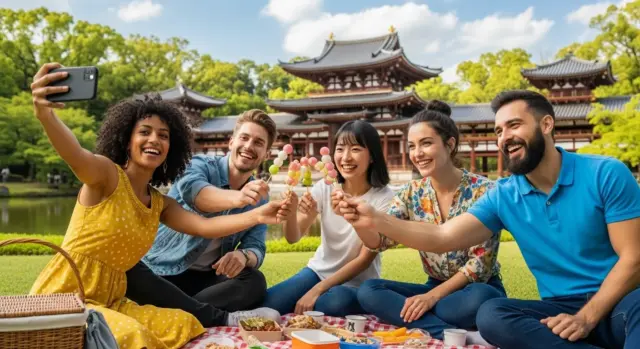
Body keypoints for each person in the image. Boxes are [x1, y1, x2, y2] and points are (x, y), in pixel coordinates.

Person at [338, 90, 640, 349]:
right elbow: (443, 237)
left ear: (546, 124)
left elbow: (635, 257)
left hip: (618, 301)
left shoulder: (605, 173)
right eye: (498, 131)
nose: (505, 137)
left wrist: (586, 318)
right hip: (558, 308)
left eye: (514, 125)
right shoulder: (504, 195)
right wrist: (374, 218)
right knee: (492, 315)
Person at [28, 63, 290, 349]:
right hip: (70, 295)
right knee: (135, 336)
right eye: (145, 132)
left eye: (163, 135)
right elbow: (75, 155)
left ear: (171, 147)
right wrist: (45, 114)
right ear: (127, 139)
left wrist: (257, 215)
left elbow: (205, 226)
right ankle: (216, 315)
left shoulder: (159, 203)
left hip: (112, 299)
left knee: (182, 323)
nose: (154, 139)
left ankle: (201, 313)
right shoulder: (105, 175)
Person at [354, 101, 505, 341]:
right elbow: (380, 242)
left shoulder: (484, 191)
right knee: (369, 291)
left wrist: (431, 298)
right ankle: (448, 333)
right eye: (412, 146)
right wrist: (358, 221)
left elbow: (479, 266)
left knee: (481, 299)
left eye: (426, 143)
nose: (417, 153)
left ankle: (428, 322)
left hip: (473, 290)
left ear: (450, 144)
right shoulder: (411, 192)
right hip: (434, 286)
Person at [126, 109, 281, 327]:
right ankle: (206, 316)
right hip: (163, 271)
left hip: (207, 279)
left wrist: (244, 256)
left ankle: (179, 314)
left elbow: (257, 247)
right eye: (244, 138)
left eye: (258, 143)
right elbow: (198, 196)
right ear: (231, 142)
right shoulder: (198, 165)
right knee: (132, 272)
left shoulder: (260, 197)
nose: (248, 146)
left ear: (266, 154)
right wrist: (239, 198)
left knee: (255, 281)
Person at [261, 120, 395, 317]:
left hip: (355, 282)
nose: (346, 157)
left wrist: (316, 291)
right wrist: (289, 214)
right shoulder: (325, 187)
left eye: (356, 149)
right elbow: (293, 237)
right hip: (317, 271)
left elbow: (364, 260)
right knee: (269, 303)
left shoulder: (385, 198)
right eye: (340, 149)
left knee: (331, 304)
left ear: (373, 155)